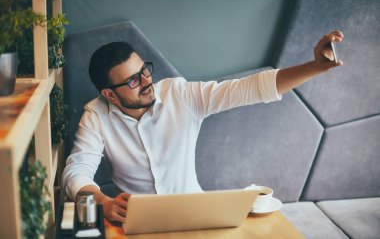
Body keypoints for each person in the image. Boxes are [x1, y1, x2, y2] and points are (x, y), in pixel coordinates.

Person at [62, 30, 344, 222]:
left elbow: (249, 89)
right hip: (137, 223)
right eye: (133, 81)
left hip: (197, 214)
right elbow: (76, 172)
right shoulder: (96, 116)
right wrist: (103, 202)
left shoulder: (180, 94)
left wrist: (315, 66)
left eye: (144, 71)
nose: (148, 82)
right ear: (109, 95)